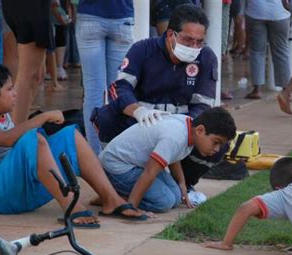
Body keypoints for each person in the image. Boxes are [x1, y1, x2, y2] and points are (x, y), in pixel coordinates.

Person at [0, 63, 151, 227]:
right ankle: (71, 206)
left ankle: (111, 200)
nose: (15, 93)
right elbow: (6, 139)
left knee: (70, 134)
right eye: (9, 89)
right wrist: (44, 117)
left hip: (18, 190)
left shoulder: (3, 116)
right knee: (33, 139)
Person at [91, 4, 226, 189]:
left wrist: (181, 126)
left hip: (182, 128)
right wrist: (137, 111)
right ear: (171, 34)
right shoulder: (143, 49)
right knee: (105, 116)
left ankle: (187, 184)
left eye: (199, 41)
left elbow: (203, 106)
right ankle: (116, 179)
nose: (194, 46)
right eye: (188, 40)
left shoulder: (207, 58)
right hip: (141, 123)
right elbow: (119, 88)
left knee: (218, 140)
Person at [99, 107, 236, 214]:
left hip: (136, 164)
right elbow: (149, 173)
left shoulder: (189, 126)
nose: (217, 149)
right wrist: (132, 207)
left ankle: (112, 195)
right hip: (117, 166)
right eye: (216, 142)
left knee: (176, 197)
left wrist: (182, 184)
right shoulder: (175, 136)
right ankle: (114, 199)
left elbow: (172, 156)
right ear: (200, 130)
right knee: (164, 202)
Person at [76, 0, 135, 155]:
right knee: (119, 92)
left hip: (89, 15)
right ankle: (117, 155)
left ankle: (94, 156)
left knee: (93, 93)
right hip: (122, 15)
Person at [1, 0, 54, 125]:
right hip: (30, 7)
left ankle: (16, 129)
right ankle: (16, 134)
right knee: (29, 76)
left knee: (37, 74)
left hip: (27, 8)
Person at [244, 0, 292, 99]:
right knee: (281, 52)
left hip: (256, 11)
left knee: (257, 52)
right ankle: (286, 90)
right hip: (279, 13)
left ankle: (257, 89)